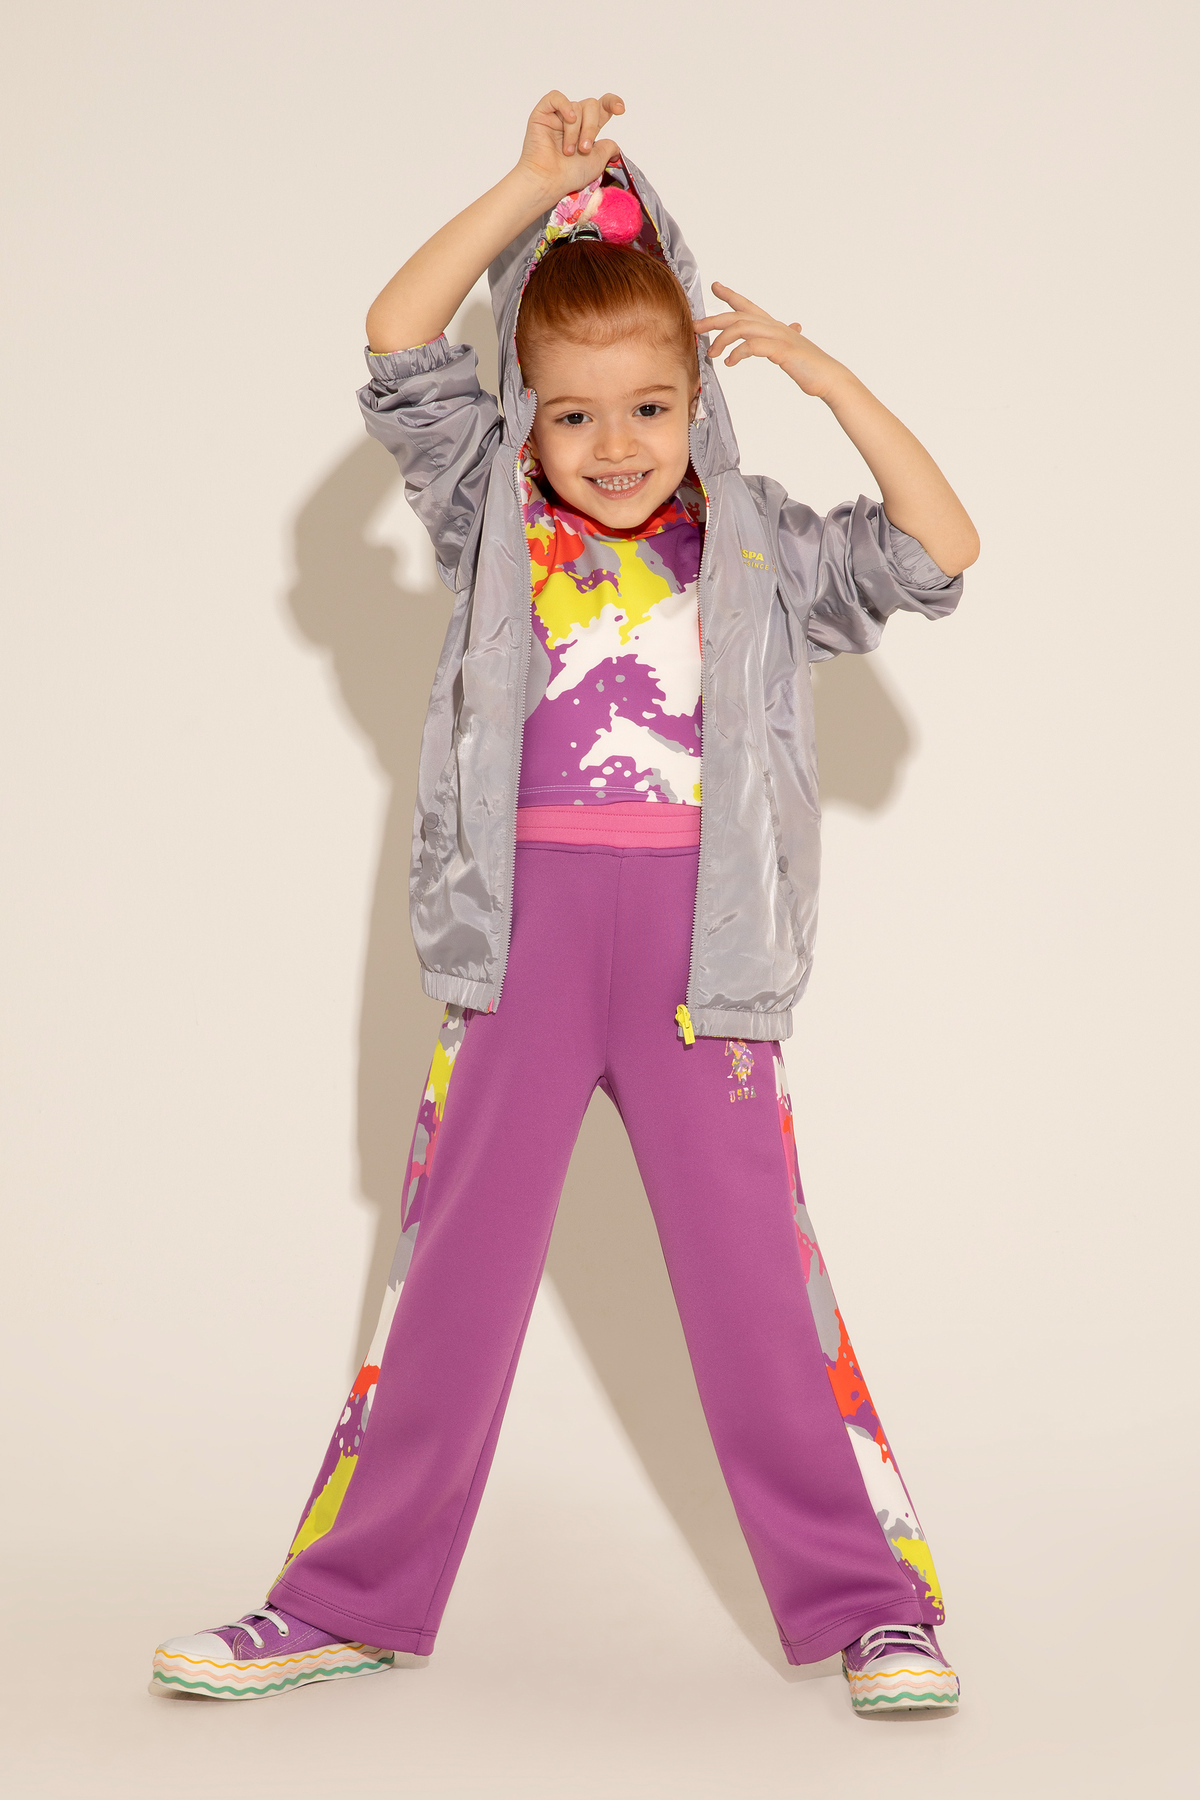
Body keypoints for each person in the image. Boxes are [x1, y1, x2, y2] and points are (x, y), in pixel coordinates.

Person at [152, 90, 978, 1715]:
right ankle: (346, 1598)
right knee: (448, 1290)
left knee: (762, 1302)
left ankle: (876, 1608)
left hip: (704, 968)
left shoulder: (759, 544)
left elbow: (941, 547)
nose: (615, 445)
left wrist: (822, 374)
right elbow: (400, 339)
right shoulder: (492, 519)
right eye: (575, 412)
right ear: (526, 416)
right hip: (516, 953)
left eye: (651, 407)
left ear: (697, 404)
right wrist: (526, 187)